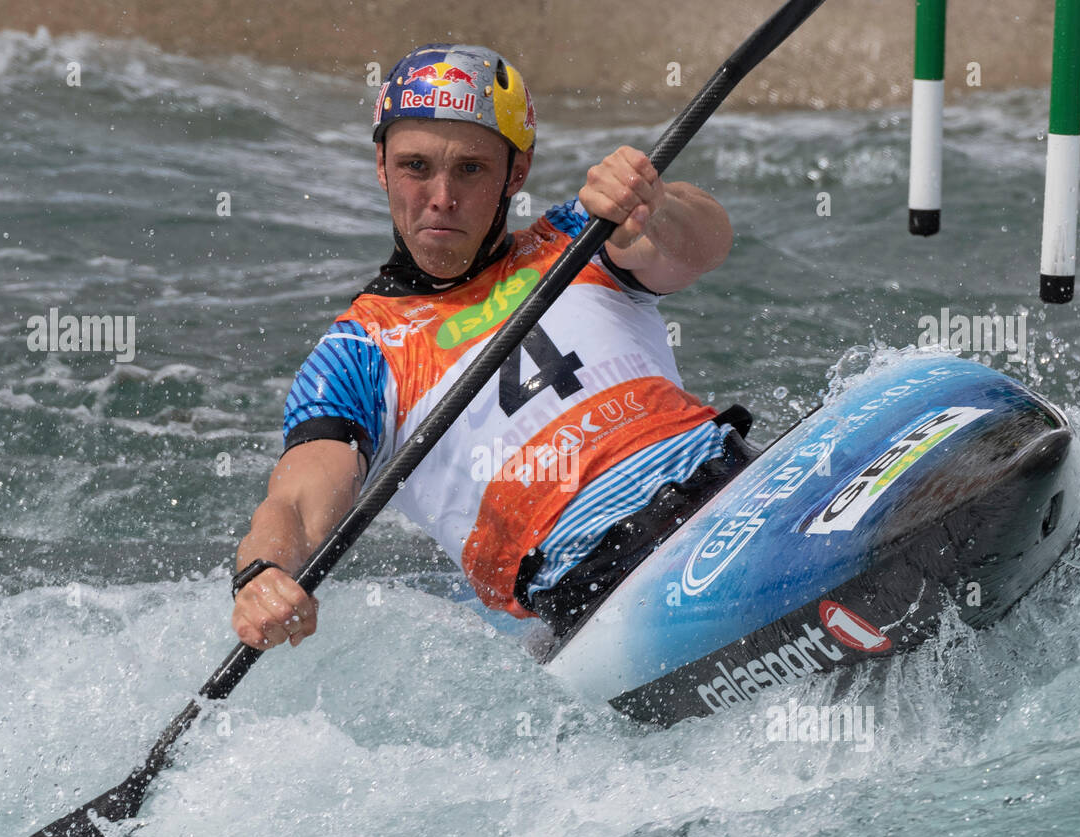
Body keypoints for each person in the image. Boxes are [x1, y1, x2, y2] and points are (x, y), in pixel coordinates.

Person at [232, 43, 754, 651]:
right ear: (381, 165)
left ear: (517, 172)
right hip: (599, 586)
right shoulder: (357, 353)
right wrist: (264, 575)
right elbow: (297, 500)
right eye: (415, 166)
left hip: (735, 482)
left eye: (471, 169)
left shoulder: (579, 235)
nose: (441, 197)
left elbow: (703, 244)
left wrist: (654, 207)